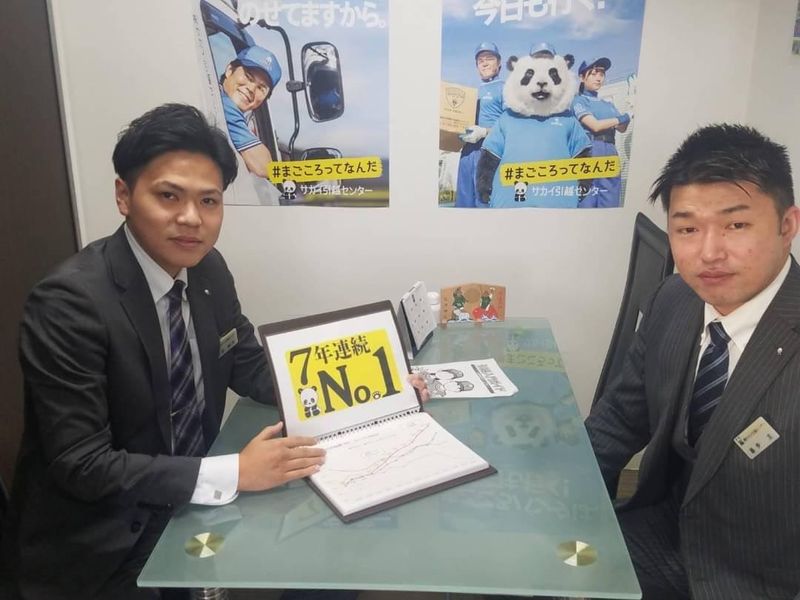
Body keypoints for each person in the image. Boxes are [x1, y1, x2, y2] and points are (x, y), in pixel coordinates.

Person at [3, 104, 428, 599]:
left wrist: (377, 385)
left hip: (191, 502)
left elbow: (247, 364)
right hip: (105, 543)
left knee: (339, 555)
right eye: (168, 196)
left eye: (209, 201)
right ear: (124, 196)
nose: (191, 219)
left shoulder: (207, 270)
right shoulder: (69, 303)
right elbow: (83, 464)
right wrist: (237, 472)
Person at [585, 124, 800, 599]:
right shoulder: (675, 299)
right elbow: (620, 418)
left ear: (788, 225)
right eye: (687, 229)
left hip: (755, 581)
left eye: (736, 225)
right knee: (527, 569)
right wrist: (557, 498)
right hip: (658, 535)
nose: (709, 253)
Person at [571, 57, 631, 208]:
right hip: (589, 151)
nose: (598, 78)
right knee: (586, 203)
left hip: (610, 150)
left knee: (610, 202)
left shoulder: (608, 104)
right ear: (582, 77)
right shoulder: (579, 101)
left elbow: (622, 128)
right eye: (593, 73)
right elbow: (595, 126)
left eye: (601, 74)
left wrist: (629, 112)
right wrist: (622, 118)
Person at [219, 45, 282, 179]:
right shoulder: (224, 105)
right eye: (248, 77)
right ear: (229, 70)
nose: (251, 89)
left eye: (261, 88)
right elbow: (265, 168)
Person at [454, 42, 505, 208]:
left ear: (499, 63)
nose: (484, 63)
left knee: (484, 203)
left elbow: (511, 126)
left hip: (490, 151)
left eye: (489, 58)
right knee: (464, 202)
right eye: (480, 60)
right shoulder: (471, 92)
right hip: (468, 152)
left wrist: (484, 131)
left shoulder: (505, 89)